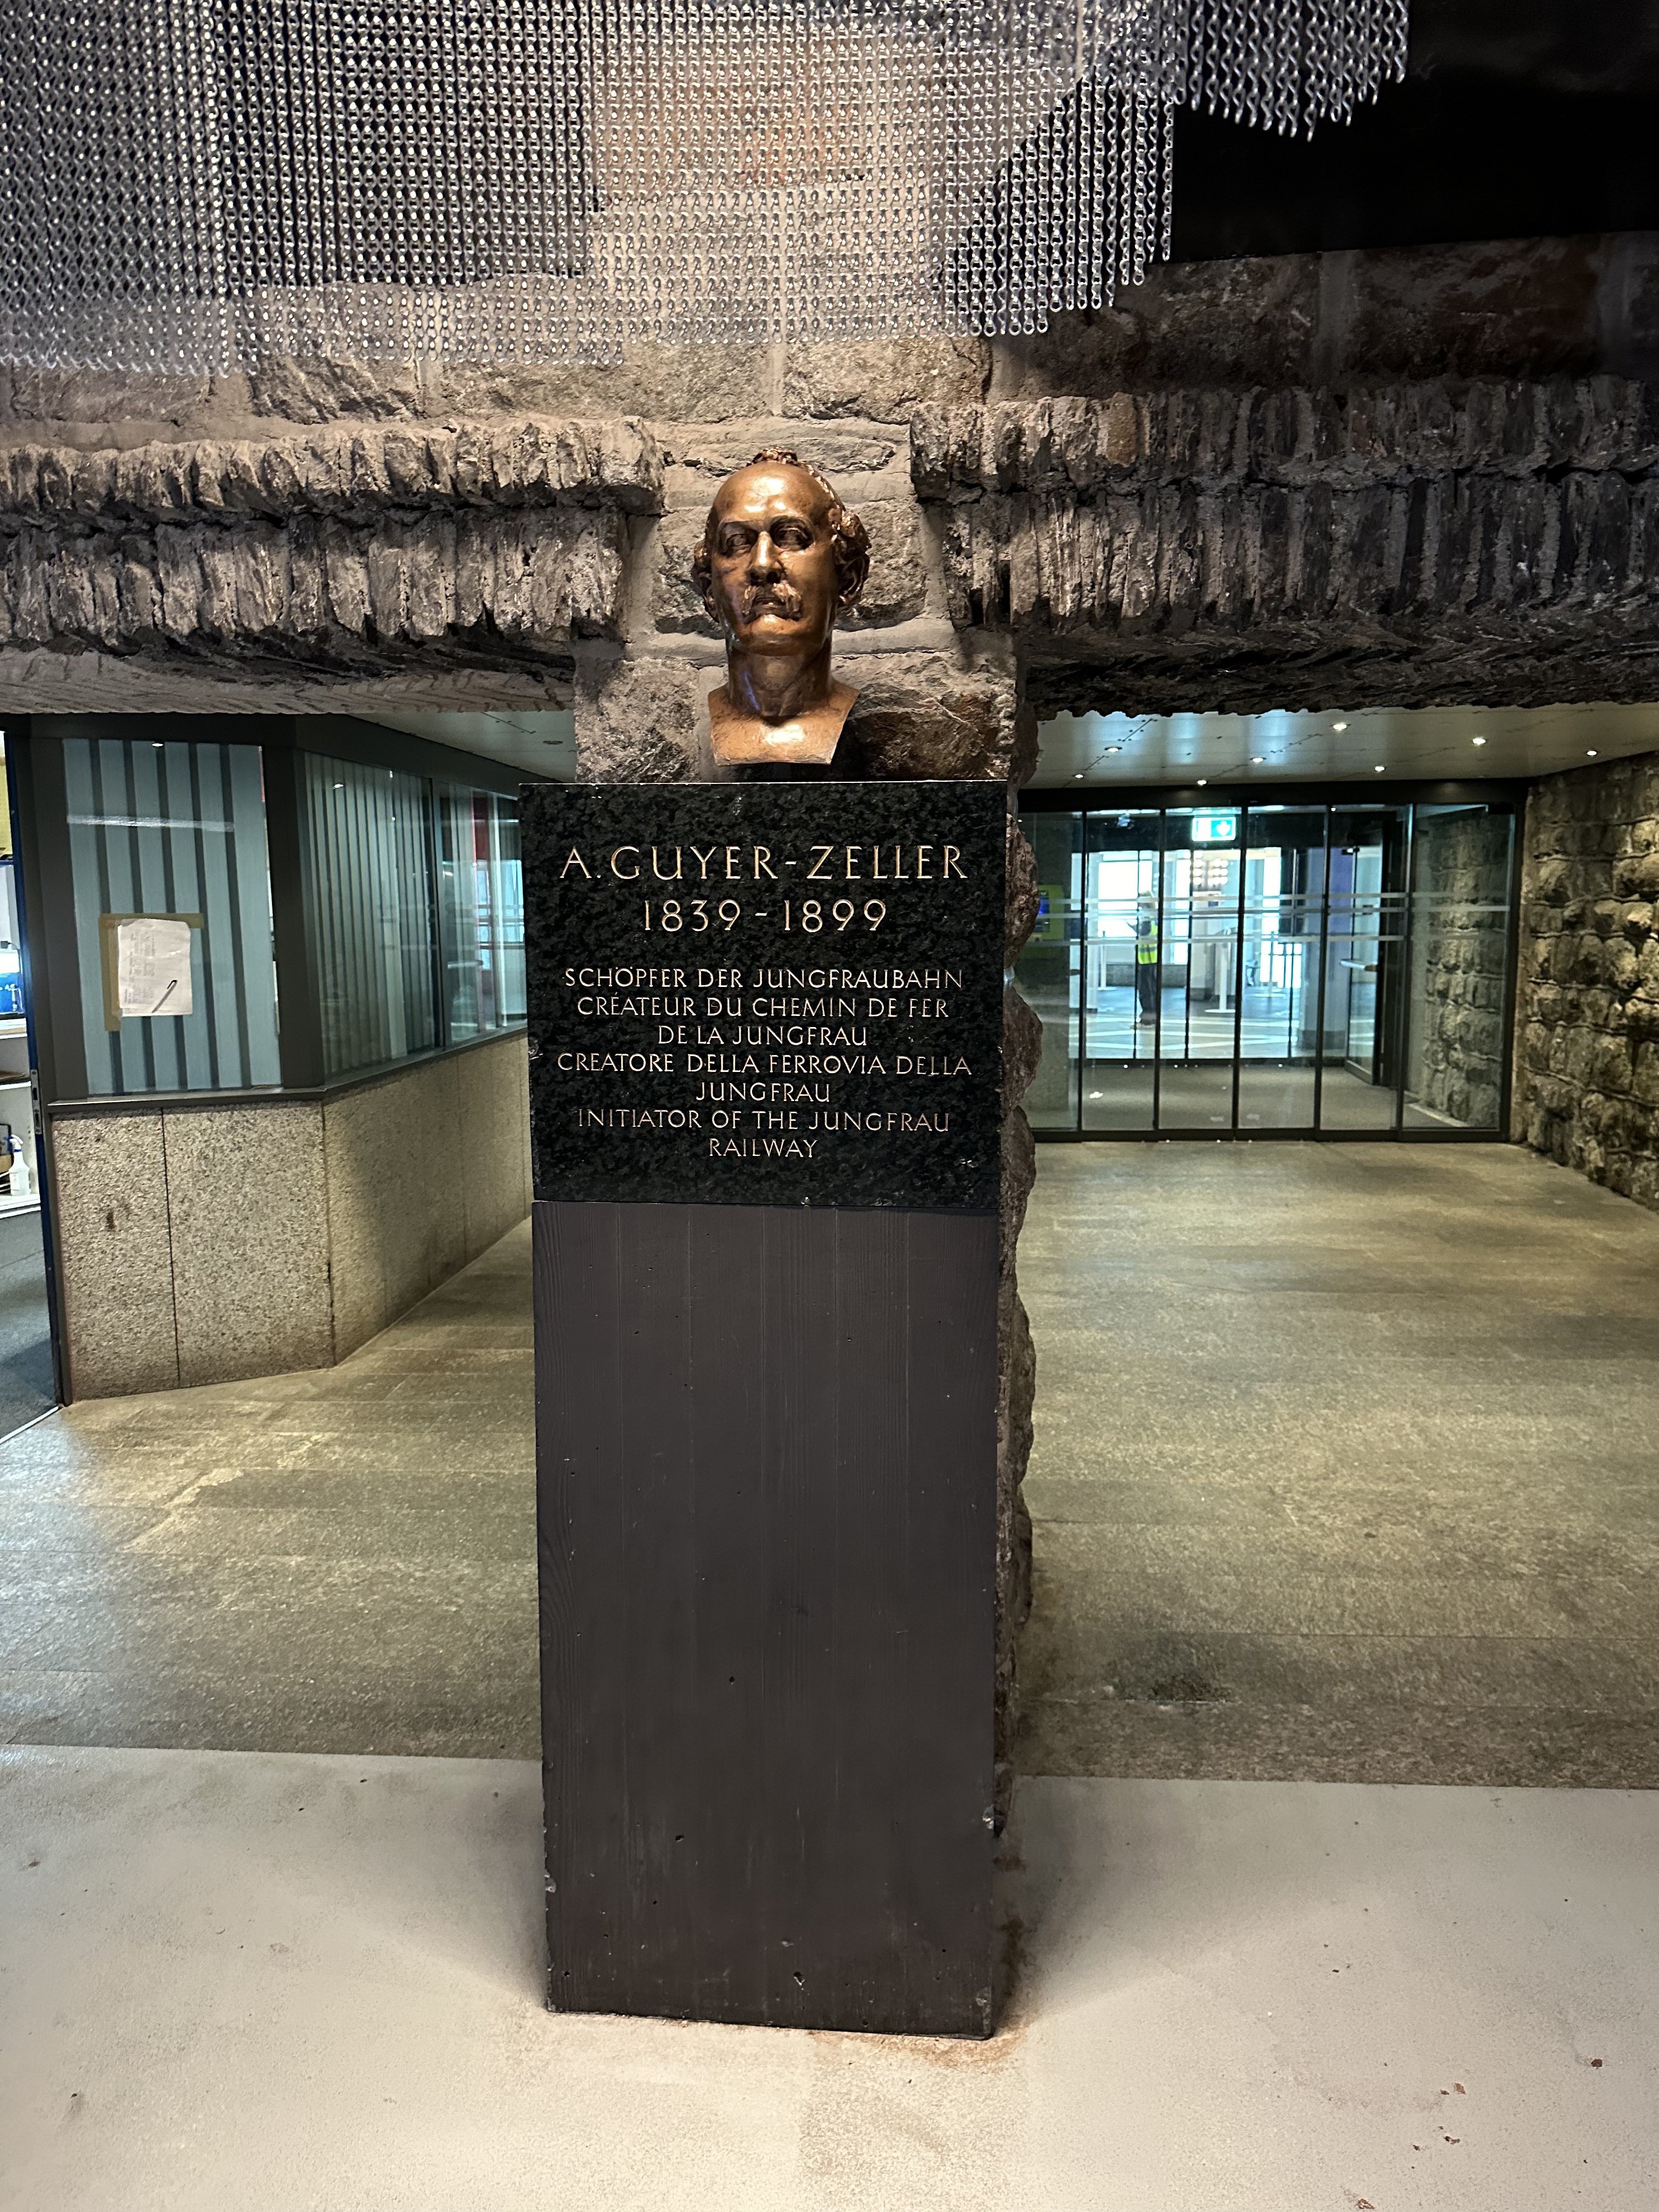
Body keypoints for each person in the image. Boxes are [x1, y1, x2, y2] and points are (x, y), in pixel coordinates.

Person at [692, 448, 871, 771]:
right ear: (709, 591)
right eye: (737, 542)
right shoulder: (674, 731)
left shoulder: (886, 732)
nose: (762, 565)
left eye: (790, 537)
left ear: (847, 581)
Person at [1134, 894, 1160, 1024]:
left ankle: (1147, 1017)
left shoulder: (1146, 915)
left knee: (1145, 988)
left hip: (1145, 958)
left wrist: (1134, 929)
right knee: (1152, 987)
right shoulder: (1154, 914)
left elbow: (1144, 932)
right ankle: (1153, 1015)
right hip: (1153, 957)